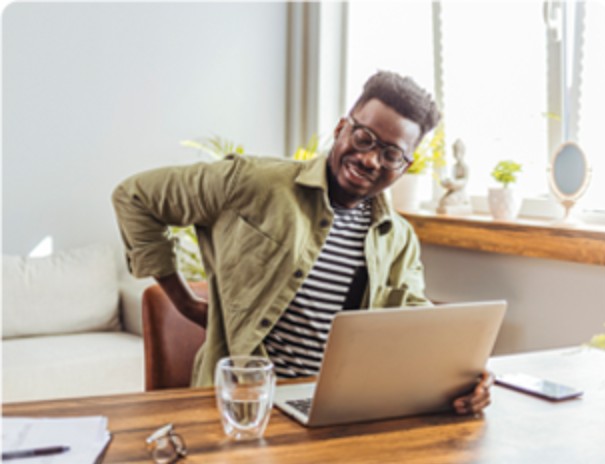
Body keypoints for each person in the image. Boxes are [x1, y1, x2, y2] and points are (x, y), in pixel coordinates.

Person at [112, 71, 492, 415]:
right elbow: (134, 197)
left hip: (337, 409)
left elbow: (416, 325)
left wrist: (465, 376)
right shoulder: (252, 182)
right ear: (342, 128)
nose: (371, 160)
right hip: (242, 404)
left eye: (391, 154)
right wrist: (183, 301)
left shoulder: (399, 239)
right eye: (364, 138)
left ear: (404, 166)